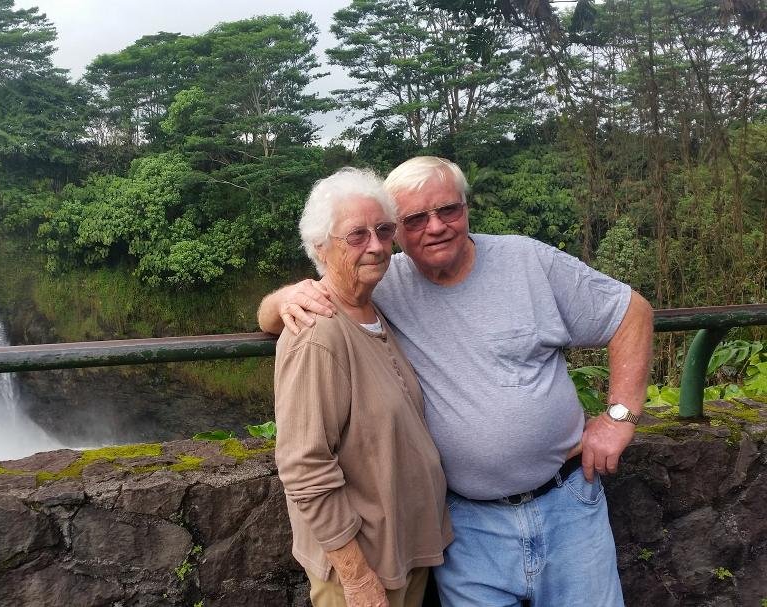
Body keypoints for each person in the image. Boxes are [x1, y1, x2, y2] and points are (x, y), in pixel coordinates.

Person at [259, 157, 654, 607]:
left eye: (448, 209)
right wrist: (282, 299)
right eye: (413, 219)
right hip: (467, 530)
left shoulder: (525, 261)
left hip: (566, 506)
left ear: (466, 208)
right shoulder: (381, 281)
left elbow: (631, 311)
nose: (435, 227)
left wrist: (619, 417)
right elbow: (309, 311)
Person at [274, 167, 452, 607]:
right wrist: (355, 577)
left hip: (402, 551)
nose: (375, 245)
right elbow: (304, 467)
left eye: (384, 230)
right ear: (320, 247)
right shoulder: (318, 333)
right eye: (356, 235)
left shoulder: (374, 309)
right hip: (362, 567)